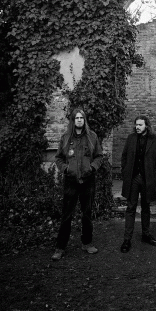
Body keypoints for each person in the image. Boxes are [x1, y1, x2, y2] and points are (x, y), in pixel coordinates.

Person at [52, 108, 103, 261]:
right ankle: (60, 247)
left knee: (87, 214)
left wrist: (92, 168)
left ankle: (87, 243)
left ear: (84, 120)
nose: (79, 120)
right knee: (67, 215)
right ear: (73, 121)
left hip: (88, 181)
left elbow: (99, 156)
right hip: (71, 182)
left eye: (81, 118)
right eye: (77, 118)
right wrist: (66, 169)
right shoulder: (66, 138)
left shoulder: (92, 137)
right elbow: (59, 158)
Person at [120, 115, 156, 253]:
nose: (137, 127)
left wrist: (154, 176)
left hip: (147, 179)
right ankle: (127, 239)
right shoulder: (131, 138)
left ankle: (146, 234)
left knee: (146, 207)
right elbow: (124, 156)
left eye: (140, 125)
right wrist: (125, 171)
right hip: (133, 178)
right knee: (130, 207)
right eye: (136, 125)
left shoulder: (155, 140)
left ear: (146, 126)